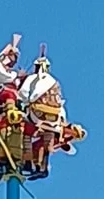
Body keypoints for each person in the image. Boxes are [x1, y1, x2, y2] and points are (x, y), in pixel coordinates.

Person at [18, 48, 67, 178]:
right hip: (54, 118)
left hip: (37, 115)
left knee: (26, 133)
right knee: (47, 139)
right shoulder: (54, 81)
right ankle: (43, 167)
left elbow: (22, 95)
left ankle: (27, 162)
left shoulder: (32, 79)